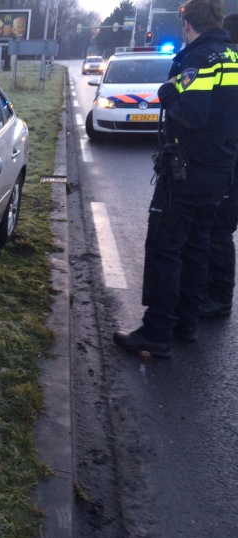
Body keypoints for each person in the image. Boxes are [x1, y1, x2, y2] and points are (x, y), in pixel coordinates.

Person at [114, 0, 238, 358]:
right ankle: (186, 323)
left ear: (187, 24)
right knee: (197, 245)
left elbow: (193, 115)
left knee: (166, 248)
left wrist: (167, 93)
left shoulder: (200, 58)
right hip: (220, 172)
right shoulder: (232, 55)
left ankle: (157, 331)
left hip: (189, 171)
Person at [199, 11, 238, 318]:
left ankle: (219, 296)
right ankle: (211, 291)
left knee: (219, 229)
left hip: (229, 162)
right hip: (228, 159)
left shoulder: (229, 65)